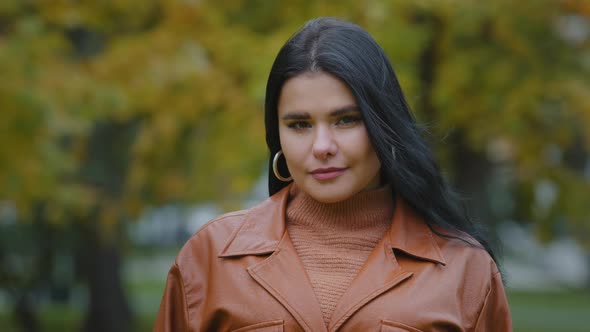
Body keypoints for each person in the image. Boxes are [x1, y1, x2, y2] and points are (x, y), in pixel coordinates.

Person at [154, 17, 512, 332]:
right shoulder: (210, 257)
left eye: (346, 120)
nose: (322, 146)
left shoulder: (465, 268)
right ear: (277, 134)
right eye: (299, 124)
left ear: (382, 125)